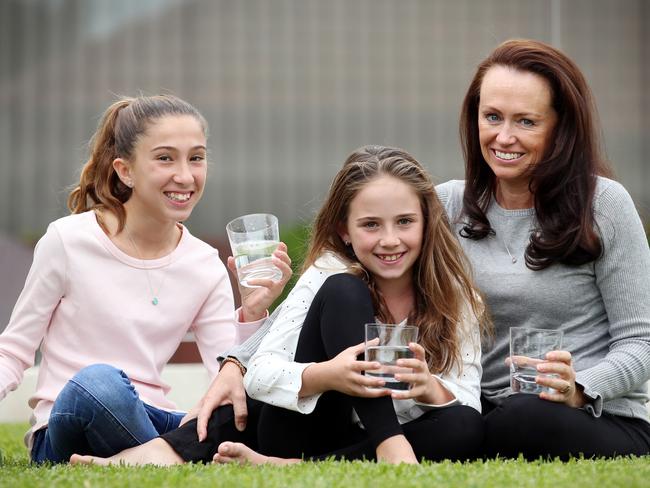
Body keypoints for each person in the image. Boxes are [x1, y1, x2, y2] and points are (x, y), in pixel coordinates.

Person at [71, 145, 490, 466]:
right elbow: (262, 375)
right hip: (305, 428)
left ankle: (288, 467)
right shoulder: (328, 273)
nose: (390, 240)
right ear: (344, 230)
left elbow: (468, 398)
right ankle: (386, 444)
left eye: (404, 222)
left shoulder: (457, 296)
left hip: (358, 445)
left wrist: (429, 386)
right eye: (370, 225)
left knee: (465, 425)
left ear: (426, 220)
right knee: (345, 291)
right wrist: (327, 375)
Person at [0, 94, 291, 463]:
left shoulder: (203, 263)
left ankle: (154, 456)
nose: (185, 176)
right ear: (125, 170)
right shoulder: (68, 240)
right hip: (72, 419)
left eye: (196, 158)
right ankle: (176, 456)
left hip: (156, 418)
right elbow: (12, 351)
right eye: (165, 158)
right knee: (101, 384)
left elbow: (226, 377)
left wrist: (252, 313)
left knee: (242, 405)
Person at [434, 39, 650, 460]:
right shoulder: (446, 205)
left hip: (593, 417)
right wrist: (261, 317)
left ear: (560, 128)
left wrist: (580, 388)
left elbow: (642, 341)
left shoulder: (604, 204)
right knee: (457, 423)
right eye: (492, 117)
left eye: (526, 122)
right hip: (479, 409)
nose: (504, 136)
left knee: (524, 418)